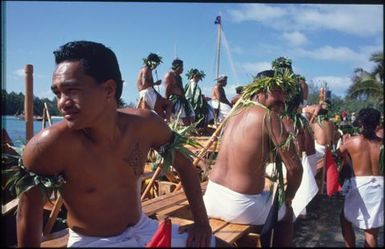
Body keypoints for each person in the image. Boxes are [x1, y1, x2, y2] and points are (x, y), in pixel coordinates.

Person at [14, 41, 214, 247]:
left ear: (109, 89)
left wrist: (201, 223)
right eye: (57, 93)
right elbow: (27, 217)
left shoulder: (145, 125)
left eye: (72, 90)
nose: (62, 102)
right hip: (93, 241)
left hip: (142, 227)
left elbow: (184, 165)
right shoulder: (48, 146)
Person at [203, 69, 303, 247]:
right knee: (287, 214)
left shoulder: (235, 113)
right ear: (260, 91)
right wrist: (289, 197)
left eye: (283, 93)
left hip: (211, 197)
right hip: (239, 205)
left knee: (265, 202)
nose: (282, 99)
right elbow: (295, 168)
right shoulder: (268, 117)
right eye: (277, 92)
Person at [337, 108, 383, 247]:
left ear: (361, 123)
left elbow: (335, 156)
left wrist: (344, 142)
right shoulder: (382, 143)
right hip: (380, 185)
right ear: (377, 124)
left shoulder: (352, 142)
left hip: (360, 184)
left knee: (345, 219)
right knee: (371, 231)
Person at [136, 53, 172, 122]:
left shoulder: (146, 69)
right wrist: (156, 83)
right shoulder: (146, 70)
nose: (156, 66)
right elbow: (144, 84)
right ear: (152, 62)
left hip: (148, 93)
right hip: (148, 94)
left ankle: (166, 122)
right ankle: (167, 122)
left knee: (164, 108)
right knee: (168, 104)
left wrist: (158, 95)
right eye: (156, 64)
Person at [163, 58, 195, 125]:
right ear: (178, 67)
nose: (183, 69)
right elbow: (167, 90)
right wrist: (166, 103)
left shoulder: (179, 77)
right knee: (183, 120)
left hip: (182, 100)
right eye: (182, 67)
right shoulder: (170, 75)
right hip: (174, 100)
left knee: (192, 116)